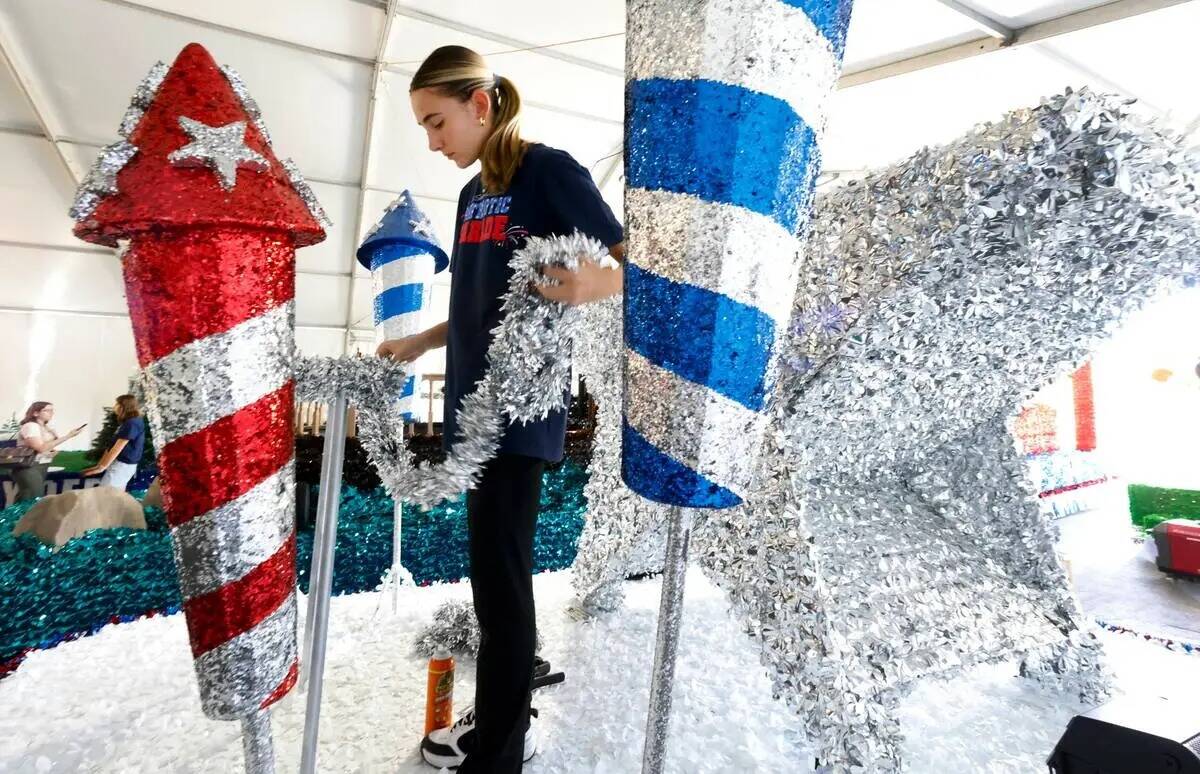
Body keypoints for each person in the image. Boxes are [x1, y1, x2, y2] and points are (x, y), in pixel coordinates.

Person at [378, 46, 623, 773]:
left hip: (519, 411)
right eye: (423, 126)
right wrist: (421, 338)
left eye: (437, 121)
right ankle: (504, 717)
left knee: (502, 584)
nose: (432, 140)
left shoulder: (549, 170)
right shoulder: (469, 195)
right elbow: (474, 303)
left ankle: (501, 751)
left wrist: (592, 287)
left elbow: (637, 260)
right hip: (467, 411)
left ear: (480, 105)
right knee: (493, 580)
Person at [14, 402, 84, 502]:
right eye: (47, 410)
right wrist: (68, 436)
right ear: (35, 413)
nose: (51, 413)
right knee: (33, 495)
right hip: (28, 465)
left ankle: (24, 516)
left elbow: (46, 447)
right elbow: (41, 447)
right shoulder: (30, 426)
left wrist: (51, 450)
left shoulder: (47, 428)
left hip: (42, 464)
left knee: (30, 494)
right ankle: (20, 517)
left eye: (52, 410)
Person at [82, 394, 145, 491]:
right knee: (115, 495)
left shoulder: (132, 423)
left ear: (123, 406)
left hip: (123, 466)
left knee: (106, 494)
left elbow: (117, 448)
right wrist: (100, 465)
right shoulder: (127, 422)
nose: (114, 406)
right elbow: (111, 447)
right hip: (122, 465)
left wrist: (102, 467)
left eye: (117, 404)